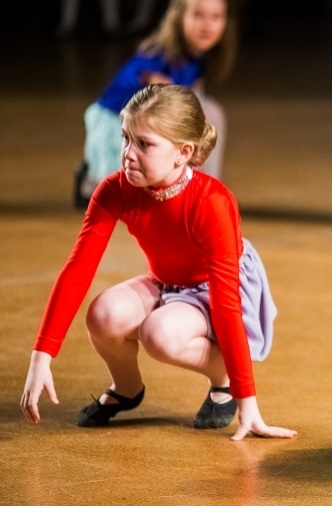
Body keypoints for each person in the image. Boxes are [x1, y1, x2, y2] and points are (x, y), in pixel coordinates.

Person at [21, 84, 296, 441]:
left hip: (217, 286)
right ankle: (127, 388)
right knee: (102, 314)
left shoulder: (212, 202)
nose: (127, 154)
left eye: (144, 144)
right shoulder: (115, 190)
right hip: (167, 279)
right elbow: (78, 269)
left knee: (159, 335)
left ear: (183, 153)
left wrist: (249, 403)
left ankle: (222, 379)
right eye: (126, 138)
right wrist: (41, 355)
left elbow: (227, 304)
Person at [74, 0, 237, 209]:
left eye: (216, 17)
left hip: (148, 126)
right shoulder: (160, 55)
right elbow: (163, 103)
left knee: (208, 112)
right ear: (179, 18)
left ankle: (202, 189)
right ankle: (89, 176)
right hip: (117, 123)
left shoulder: (200, 60)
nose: (207, 25)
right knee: (118, 194)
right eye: (198, 16)